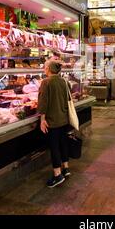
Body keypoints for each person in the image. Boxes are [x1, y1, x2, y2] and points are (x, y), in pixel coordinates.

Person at [38, 60, 71, 188]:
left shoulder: (46, 82)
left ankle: (57, 175)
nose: (44, 68)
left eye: (45, 66)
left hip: (52, 120)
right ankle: (66, 168)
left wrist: (42, 120)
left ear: (49, 69)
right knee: (63, 144)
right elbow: (68, 99)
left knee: (55, 147)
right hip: (64, 118)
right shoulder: (64, 81)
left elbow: (43, 102)